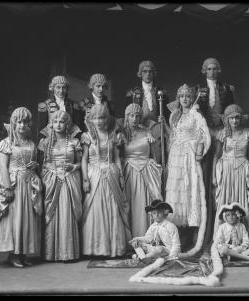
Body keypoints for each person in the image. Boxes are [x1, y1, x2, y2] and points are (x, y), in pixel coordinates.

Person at [0, 107, 42, 268]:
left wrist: (34, 165)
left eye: (25, 122)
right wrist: (8, 188)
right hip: (14, 184)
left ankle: (23, 253)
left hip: (28, 183)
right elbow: (3, 167)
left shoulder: (30, 143)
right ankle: (13, 255)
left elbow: (32, 163)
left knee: (26, 219)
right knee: (15, 219)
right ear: (13, 123)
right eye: (18, 122)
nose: (22, 125)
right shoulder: (6, 143)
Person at [80, 103, 132, 258]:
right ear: (91, 119)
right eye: (95, 118)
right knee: (95, 210)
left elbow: (116, 158)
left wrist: (121, 176)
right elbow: (84, 159)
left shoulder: (113, 136)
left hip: (111, 174)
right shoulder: (87, 136)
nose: (98, 121)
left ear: (107, 119)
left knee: (113, 208)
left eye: (101, 117)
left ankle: (114, 248)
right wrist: (85, 180)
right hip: (94, 175)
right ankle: (95, 248)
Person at [165, 84, 211, 251]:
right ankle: (178, 236)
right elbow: (173, 135)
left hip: (189, 156)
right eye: (182, 96)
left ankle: (193, 234)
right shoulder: (175, 115)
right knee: (176, 191)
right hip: (176, 155)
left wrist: (198, 151)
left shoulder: (195, 115)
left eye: (188, 96)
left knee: (189, 190)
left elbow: (201, 135)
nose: (185, 99)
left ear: (192, 98)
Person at [195, 57, 235, 249]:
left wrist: (224, 120)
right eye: (208, 69)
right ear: (204, 71)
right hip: (205, 134)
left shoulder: (227, 89)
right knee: (204, 175)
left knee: (218, 176)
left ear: (218, 71)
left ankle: (221, 226)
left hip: (221, 133)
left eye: (214, 69)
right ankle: (203, 228)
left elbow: (232, 111)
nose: (211, 71)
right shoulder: (198, 89)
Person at [37, 110, 83, 262]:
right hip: (51, 181)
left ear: (67, 124)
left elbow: (79, 163)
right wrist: (50, 175)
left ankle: (68, 253)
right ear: (51, 123)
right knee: (52, 214)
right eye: (55, 121)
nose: (58, 124)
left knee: (67, 213)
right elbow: (41, 165)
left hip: (69, 180)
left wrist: (73, 168)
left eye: (62, 122)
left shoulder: (74, 142)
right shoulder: (44, 143)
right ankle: (50, 253)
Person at [212, 104, 249, 241]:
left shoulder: (247, 133)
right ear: (227, 120)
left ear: (241, 119)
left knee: (242, 203)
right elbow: (217, 155)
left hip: (242, 170)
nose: (235, 121)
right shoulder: (223, 134)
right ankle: (221, 238)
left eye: (237, 118)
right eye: (231, 118)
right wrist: (214, 175)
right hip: (226, 170)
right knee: (225, 201)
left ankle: (244, 238)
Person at [121, 103, 163, 238]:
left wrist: (153, 143)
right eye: (132, 116)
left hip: (146, 171)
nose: (135, 119)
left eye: (138, 116)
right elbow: (118, 155)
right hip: (130, 172)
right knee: (130, 204)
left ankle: (148, 238)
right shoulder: (121, 133)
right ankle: (130, 238)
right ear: (127, 117)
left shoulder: (146, 131)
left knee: (145, 203)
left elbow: (155, 155)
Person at [125, 60, 169, 165]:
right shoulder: (133, 93)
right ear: (140, 73)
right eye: (144, 71)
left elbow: (166, 114)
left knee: (157, 158)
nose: (148, 74)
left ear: (154, 73)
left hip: (157, 129)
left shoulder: (161, 92)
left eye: (150, 71)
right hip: (139, 129)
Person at [37, 75, 81, 140]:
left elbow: (77, 127)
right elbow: (41, 129)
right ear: (53, 88)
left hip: (69, 140)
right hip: (51, 140)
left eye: (64, 88)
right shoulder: (45, 105)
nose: (61, 91)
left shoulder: (73, 105)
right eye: (58, 87)